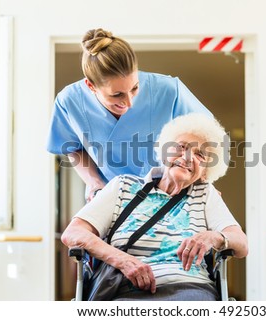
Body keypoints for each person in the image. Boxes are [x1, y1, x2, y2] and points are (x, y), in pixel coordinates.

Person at [61, 114, 248, 300]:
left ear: (206, 171)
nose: (188, 157)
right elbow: (73, 233)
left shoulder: (206, 194)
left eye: (200, 154)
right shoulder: (122, 186)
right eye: (181, 146)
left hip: (190, 290)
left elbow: (241, 243)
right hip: (124, 289)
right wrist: (123, 260)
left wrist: (215, 237)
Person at [47, 28, 212, 202]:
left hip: (170, 194)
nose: (129, 102)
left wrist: (202, 186)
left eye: (134, 88)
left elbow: (207, 136)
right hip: (109, 196)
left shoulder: (168, 91)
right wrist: (95, 183)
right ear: (91, 86)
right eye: (117, 95)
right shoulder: (70, 101)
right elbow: (73, 147)